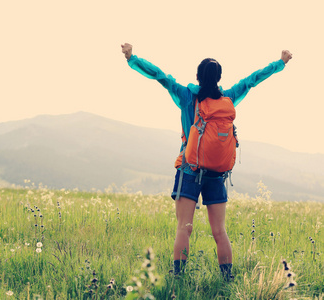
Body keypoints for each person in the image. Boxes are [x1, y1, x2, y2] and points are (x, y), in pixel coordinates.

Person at [121, 43, 292, 281]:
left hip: (189, 168)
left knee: (184, 228)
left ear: (197, 77)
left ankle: (178, 279)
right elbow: (251, 80)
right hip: (216, 174)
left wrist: (132, 58)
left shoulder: (186, 96)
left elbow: (160, 76)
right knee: (220, 232)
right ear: (219, 78)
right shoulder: (228, 98)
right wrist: (280, 63)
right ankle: (227, 280)